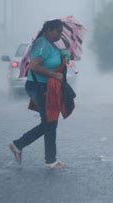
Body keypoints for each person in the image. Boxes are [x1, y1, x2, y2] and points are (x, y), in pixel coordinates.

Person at [9, 19, 67, 170]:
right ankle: (46, 158)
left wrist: (64, 55)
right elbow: (33, 66)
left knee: (49, 122)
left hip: (46, 87)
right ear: (48, 30)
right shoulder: (42, 44)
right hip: (38, 87)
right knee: (50, 122)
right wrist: (54, 76)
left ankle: (46, 158)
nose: (60, 35)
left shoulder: (51, 44)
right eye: (58, 31)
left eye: (61, 32)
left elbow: (52, 63)